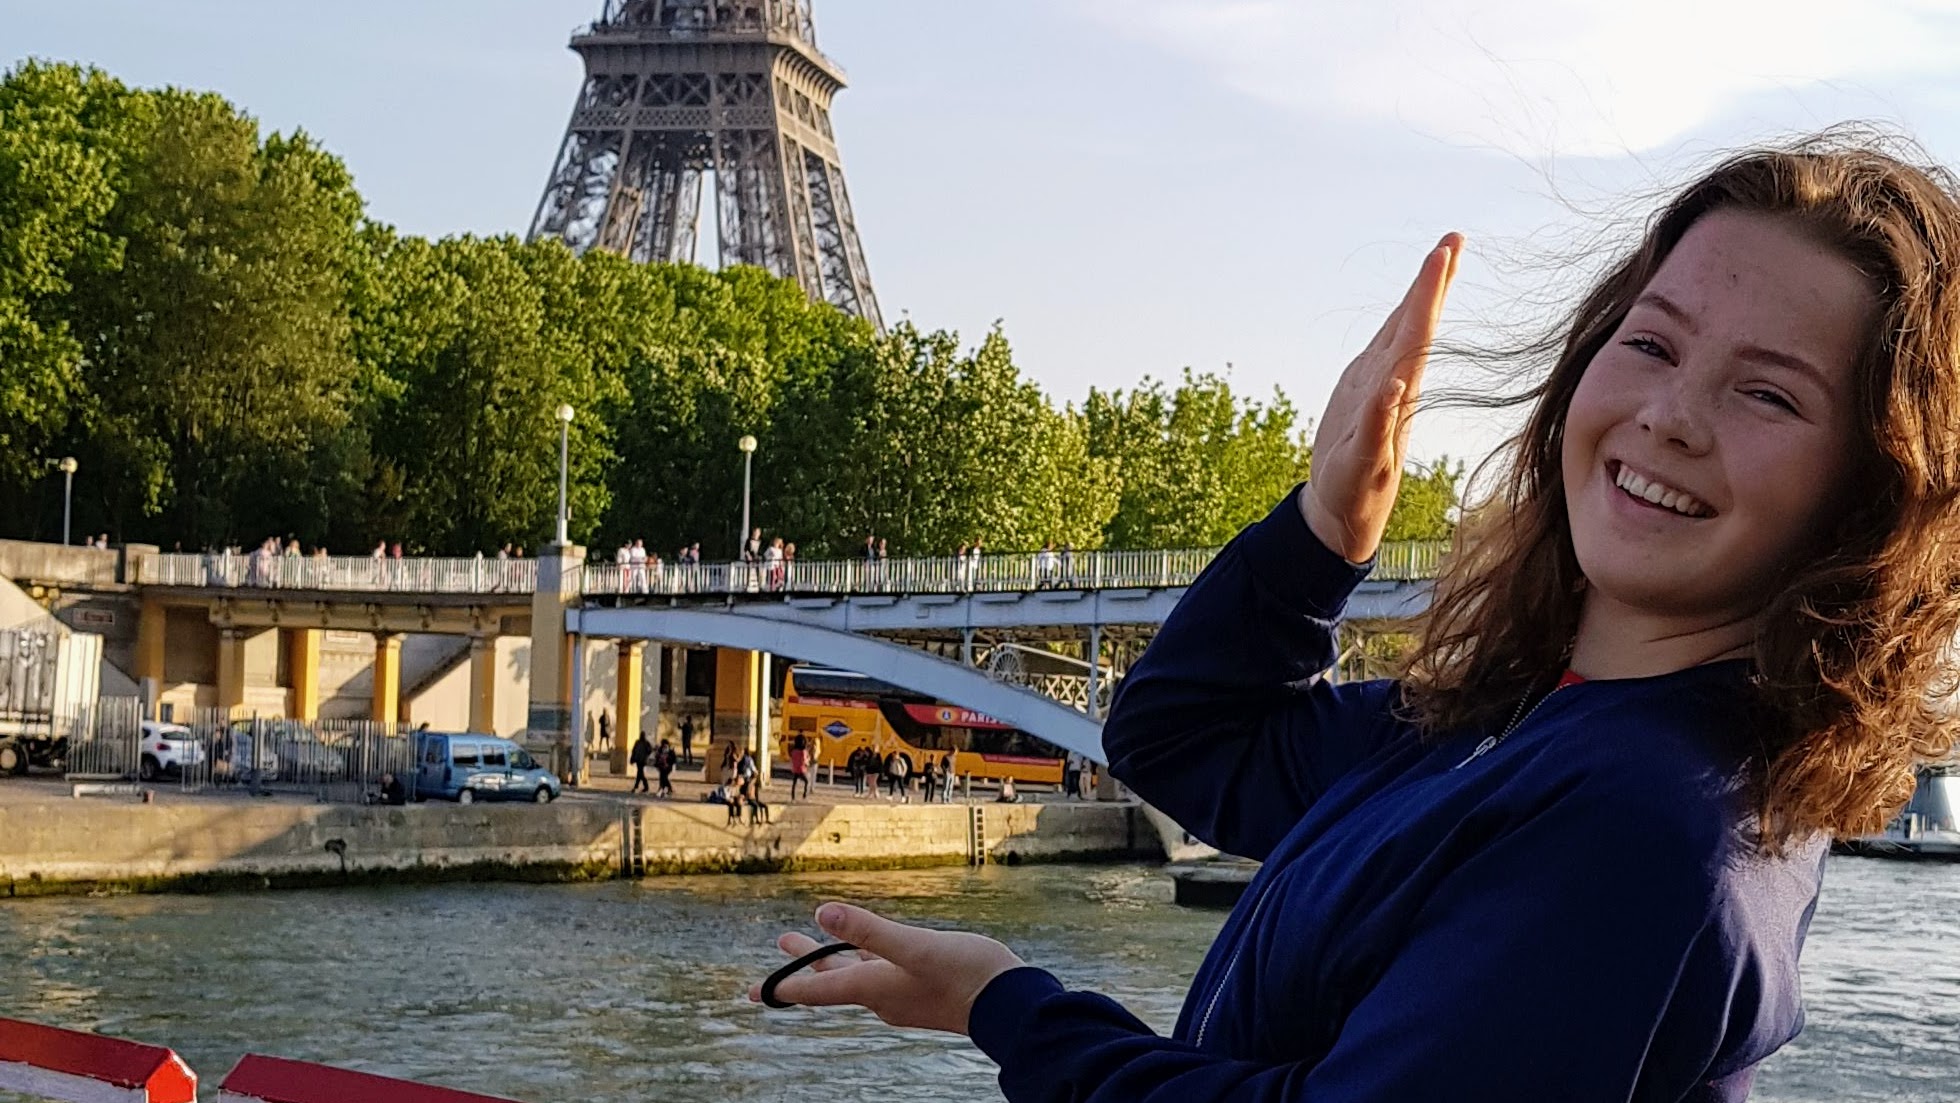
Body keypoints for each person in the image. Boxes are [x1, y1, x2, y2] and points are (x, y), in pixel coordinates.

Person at [752, 140, 1960, 1098]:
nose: (1669, 414)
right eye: (1651, 342)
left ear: (1868, 498)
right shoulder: (1516, 720)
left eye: (1766, 394)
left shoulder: (1643, 821)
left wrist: (1010, 1005)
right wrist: (1323, 526)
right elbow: (1185, 737)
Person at [787, 734, 811, 801]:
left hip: (795, 769)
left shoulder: (794, 751)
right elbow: (804, 760)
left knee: (794, 783)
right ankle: (805, 796)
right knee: (807, 781)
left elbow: (792, 759)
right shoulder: (803, 751)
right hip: (802, 769)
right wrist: (808, 761)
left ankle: (793, 798)